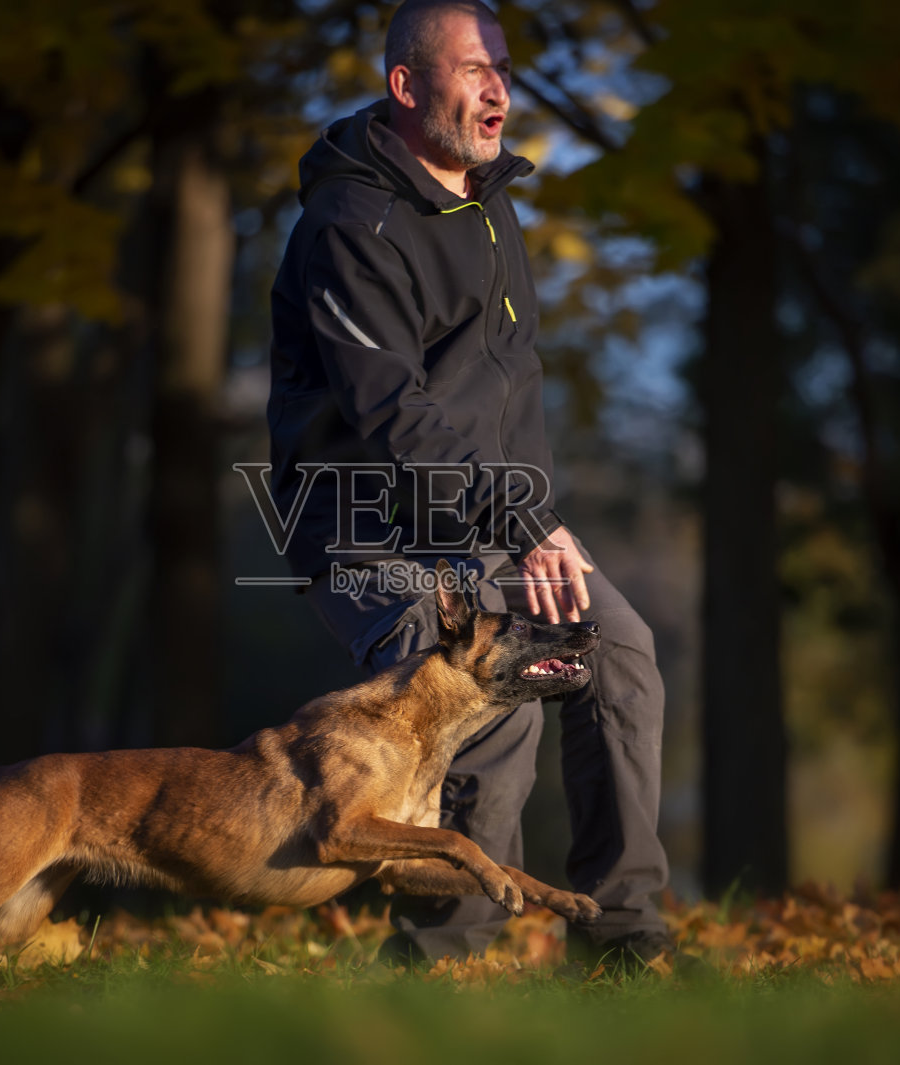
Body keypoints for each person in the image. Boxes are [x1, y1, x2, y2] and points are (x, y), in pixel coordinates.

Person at [266, 0, 672, 969]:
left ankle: (623, 941)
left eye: (501, 64)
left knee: (620, 653)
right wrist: (525, 527)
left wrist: (530, 528)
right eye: (470, 66)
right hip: (368, 529)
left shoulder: (491, 207)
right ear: (406, 87)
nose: (497, 84)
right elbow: (396, 416)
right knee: (487, 697)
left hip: (490, 523)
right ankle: (446, 967)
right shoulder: (349, 224)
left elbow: (495, 408)